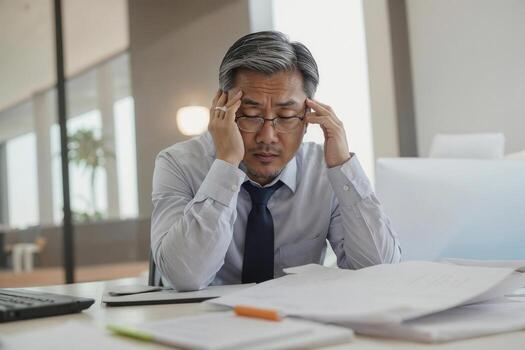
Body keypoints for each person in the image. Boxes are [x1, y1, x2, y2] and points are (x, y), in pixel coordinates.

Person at [151, 31, 401, 291]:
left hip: (298, 322)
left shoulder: (325, 170)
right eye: (250, 114)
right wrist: (226, 164)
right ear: (222, 110)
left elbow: (379, 270)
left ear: (308, 116)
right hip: (201, 321)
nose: (267, 136)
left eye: (286, 116)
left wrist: (342, 166)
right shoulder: (178, 164)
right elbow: (184, 277)